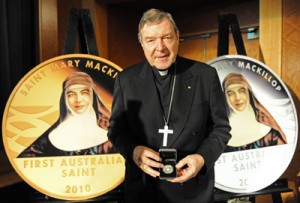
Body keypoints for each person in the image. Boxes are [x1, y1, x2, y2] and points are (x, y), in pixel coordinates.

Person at [107, 8, 231, 203]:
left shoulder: (205, 76)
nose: (160, 47)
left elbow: (221, 128)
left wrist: (201, 159)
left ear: (177, 37)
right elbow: (116, 130)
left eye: (167, 38)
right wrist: (134, 151)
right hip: (143, 190)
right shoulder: (126, 80)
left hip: (192, 191)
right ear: (142, 43)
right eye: (151, 40)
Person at [18, 71, 115, 157]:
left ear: (93, 96)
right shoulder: (51, 135)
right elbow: (26, 160)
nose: (78, 100)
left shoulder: (111, 130)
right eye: (71, 94)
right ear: (64, 99)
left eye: (84, 93)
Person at [222, 72, 287, 152]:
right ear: (225, 97)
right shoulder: (220, 134)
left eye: (241, 91)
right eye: (230, 94)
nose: (237, 98)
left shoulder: (270, 134)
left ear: (248, 93)